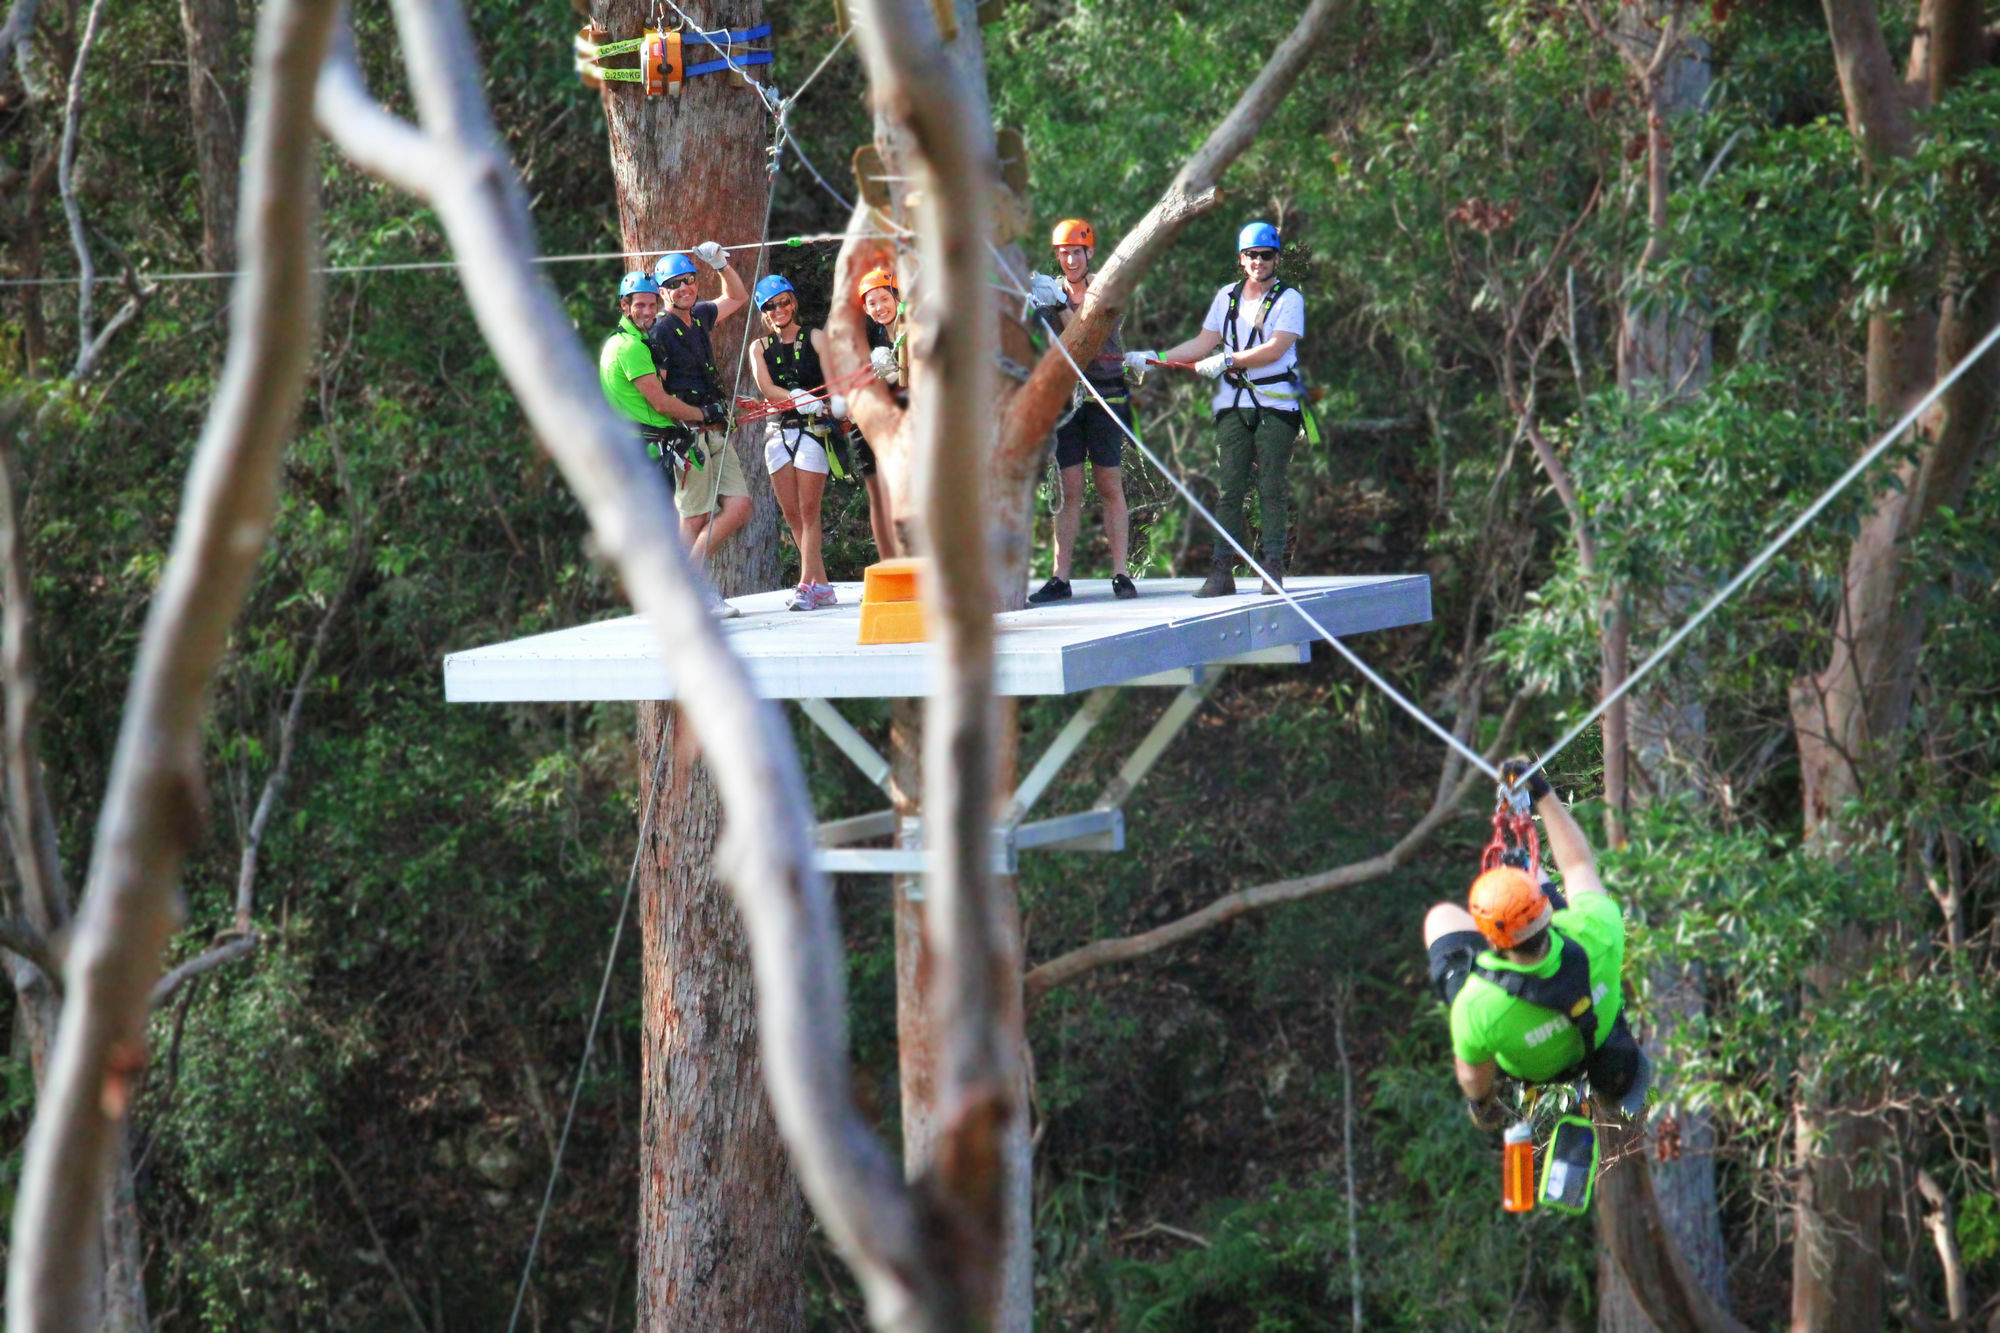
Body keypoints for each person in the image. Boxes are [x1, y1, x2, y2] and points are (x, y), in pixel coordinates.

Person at [1422, 759, 1651, 1129]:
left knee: (1440, 918)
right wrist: (1542, 793)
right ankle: (1518, 887)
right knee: (1521, 873)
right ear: (1546, 910)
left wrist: (1480, 1104)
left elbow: (1473, 1078)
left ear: (1489, 939)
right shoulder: (1596, 933)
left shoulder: (1479, 1008)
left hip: (1524, 1036)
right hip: (1564, 1028)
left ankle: (1515, 889)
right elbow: (1578, 866)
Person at [1128, 222, 1305, 597]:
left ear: (1276, 258)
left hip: (1276, 402)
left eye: (1266, 255)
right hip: (1233, 403)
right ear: (1241, 259)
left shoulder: (1289, 299)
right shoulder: (1226, 297)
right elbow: (1202, 343)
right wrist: (1154, 358)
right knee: (1230, 489)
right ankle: (1221, 571)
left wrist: (1228, 360)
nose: (1258, 261)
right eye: (1251, 255)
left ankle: (1272, 569)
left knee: (1271, 485)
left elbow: (1275, 348)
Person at [1025, 219, 1137, 605]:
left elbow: (1083, 337)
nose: (1070, 259)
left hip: (1104, 396)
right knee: (1069, 488)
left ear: (1089, 254)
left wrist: (1056, 307)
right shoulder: (1048, 292)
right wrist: (1036, 310)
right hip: (1067, 403)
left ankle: (1121, 572)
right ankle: (1061, 576)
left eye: (1076, 252)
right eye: (1063, 253)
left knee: (1109, 483)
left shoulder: (1104, 291)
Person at [649, 243, 750, 610]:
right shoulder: (660, 331)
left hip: (716, 430)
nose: (684, 288)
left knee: (738, 507)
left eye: (689, 280)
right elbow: (657, 394)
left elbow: (737, 297)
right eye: (675, 284)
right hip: (689, 436)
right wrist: (690, 418)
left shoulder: (701, 316)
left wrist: (721, 264)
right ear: (663, 292)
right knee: (695, 517)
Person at [748, 274, 848, 612]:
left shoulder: (815, 337)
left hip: (813, 429)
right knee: (791, 513)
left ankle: (806, 584)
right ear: (764, 311)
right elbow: (766, 388)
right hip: (778, 432)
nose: (779, 310)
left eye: (784, 302)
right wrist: (793, 395)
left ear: (794, 303)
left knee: (809, 510)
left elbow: (833, 379)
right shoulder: (759, 348)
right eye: (771, 306)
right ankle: (821, 584)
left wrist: (831, 401)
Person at [599, 271, 687, 502]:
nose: (648, 312)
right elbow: (660, 403)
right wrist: (702, 413)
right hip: (644, 451)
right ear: (624, 305)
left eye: (652, 305)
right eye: (640, 305)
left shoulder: (624, 341)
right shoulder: (631, 347)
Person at [852, 267, 904, 560]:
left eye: (884, 299)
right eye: (872, 303)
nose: (880, 308)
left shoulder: (910, 328)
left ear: (897, 297)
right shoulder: (872, 337)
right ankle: (893, 563)